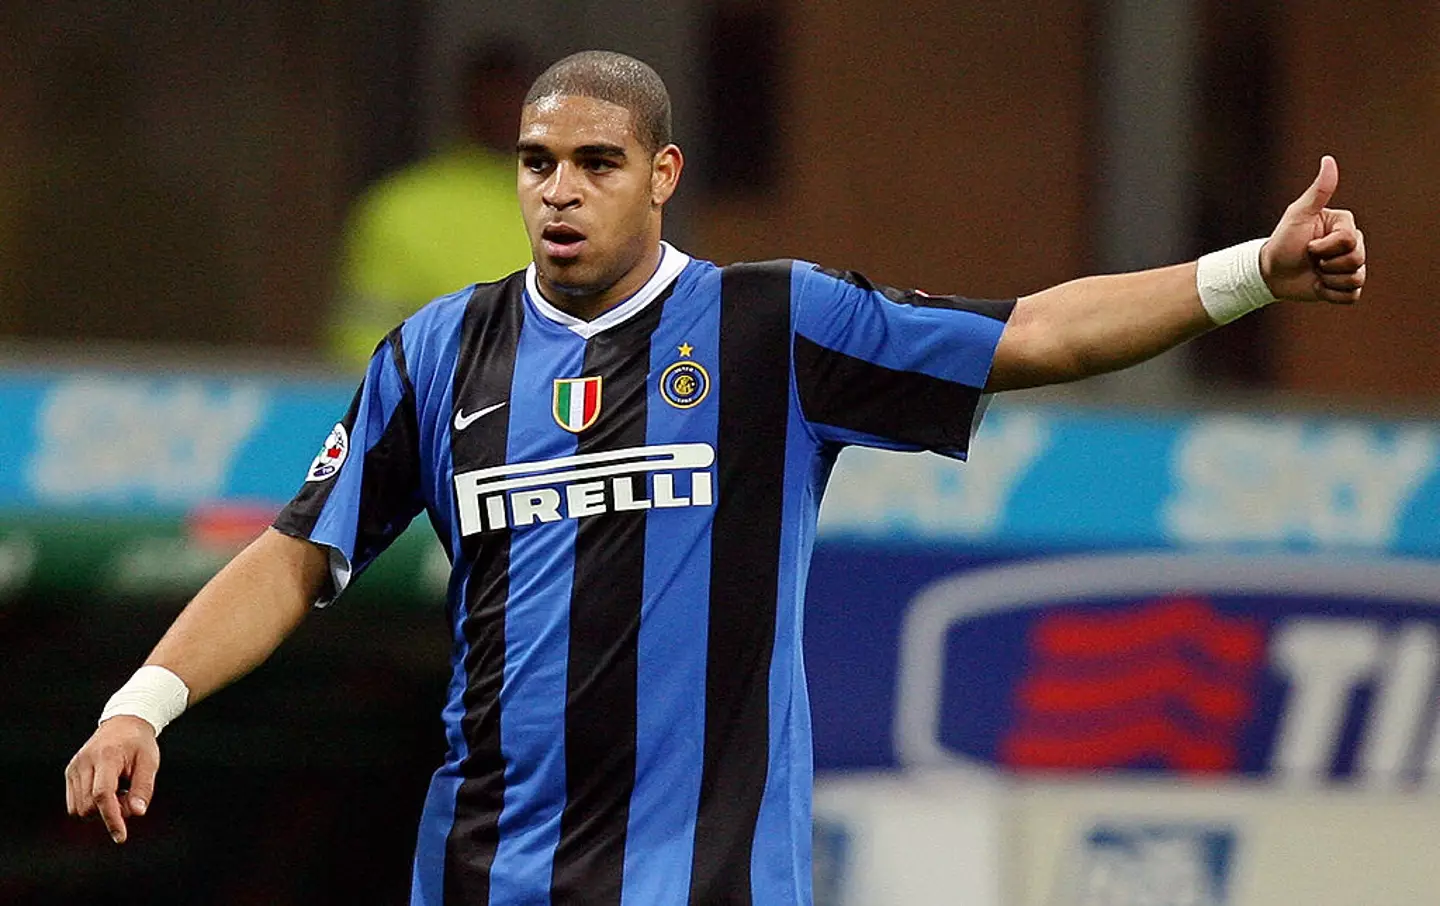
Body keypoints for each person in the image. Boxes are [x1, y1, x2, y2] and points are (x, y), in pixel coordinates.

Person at [66, 50, 1366, 906]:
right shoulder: (434, 353)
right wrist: (143, 702)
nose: (558, 192)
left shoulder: (772, 328)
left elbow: (1029, 331)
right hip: (481, 872)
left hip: (712, 878)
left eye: (596, 163)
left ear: (663, 176)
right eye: (537, 164)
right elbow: (301, 551)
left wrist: (1254, 269)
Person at [327, 42, 537, 369]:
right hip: (434, 407)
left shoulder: (583, 201)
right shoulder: (399, 206)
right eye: (493, 96)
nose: (504, 108)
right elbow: (362, 345)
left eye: (515, 96)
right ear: (466, 104)